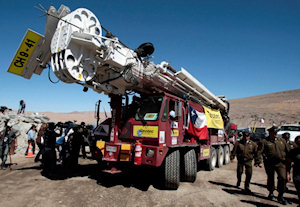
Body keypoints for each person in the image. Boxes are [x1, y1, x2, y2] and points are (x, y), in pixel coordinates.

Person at [256, 126, 290, 205]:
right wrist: (259, 161)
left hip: (281, 163)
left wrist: (291, 160)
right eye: (274, 133)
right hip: (269, 163)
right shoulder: (264, 141)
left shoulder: (282, 141)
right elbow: (259, 152)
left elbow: (288, 151)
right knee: (271, 178)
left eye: (276, 133)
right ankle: (271, 192)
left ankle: (280, 195)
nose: (275, 134)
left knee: (283, 178)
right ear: (270, 133)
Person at [287, 136, 300, 207]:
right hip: (297, 174)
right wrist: (288, 173)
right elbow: (288, 162)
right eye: (298, 143)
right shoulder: (293, 151)